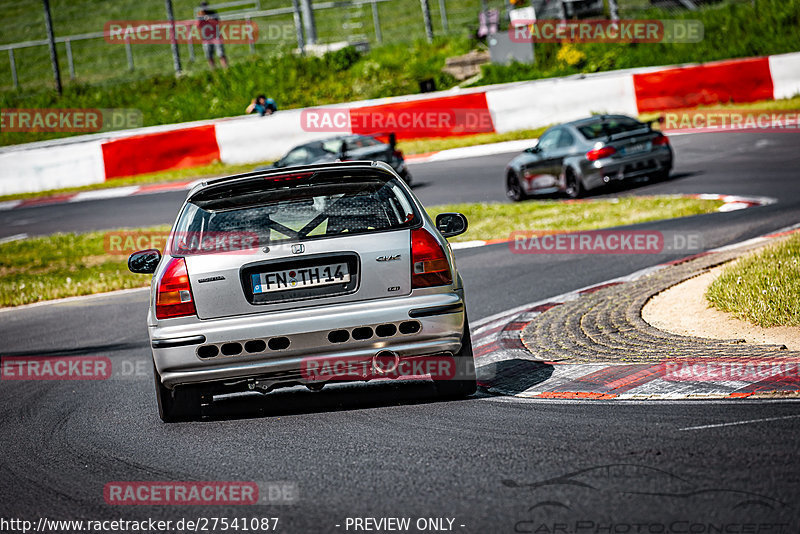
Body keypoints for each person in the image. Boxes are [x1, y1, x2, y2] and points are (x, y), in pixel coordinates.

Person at [197, 2, 228, 69]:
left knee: (221, 54)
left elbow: (217, 23)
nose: (204, 8)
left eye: (205, 6)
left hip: (216, 36)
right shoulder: (199, 14)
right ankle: (213, 71)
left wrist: (209, 19)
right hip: (206, 38)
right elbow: (198, 26)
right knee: (209, 56)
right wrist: (201, 18)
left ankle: (226, 69)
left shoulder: (213, 13)